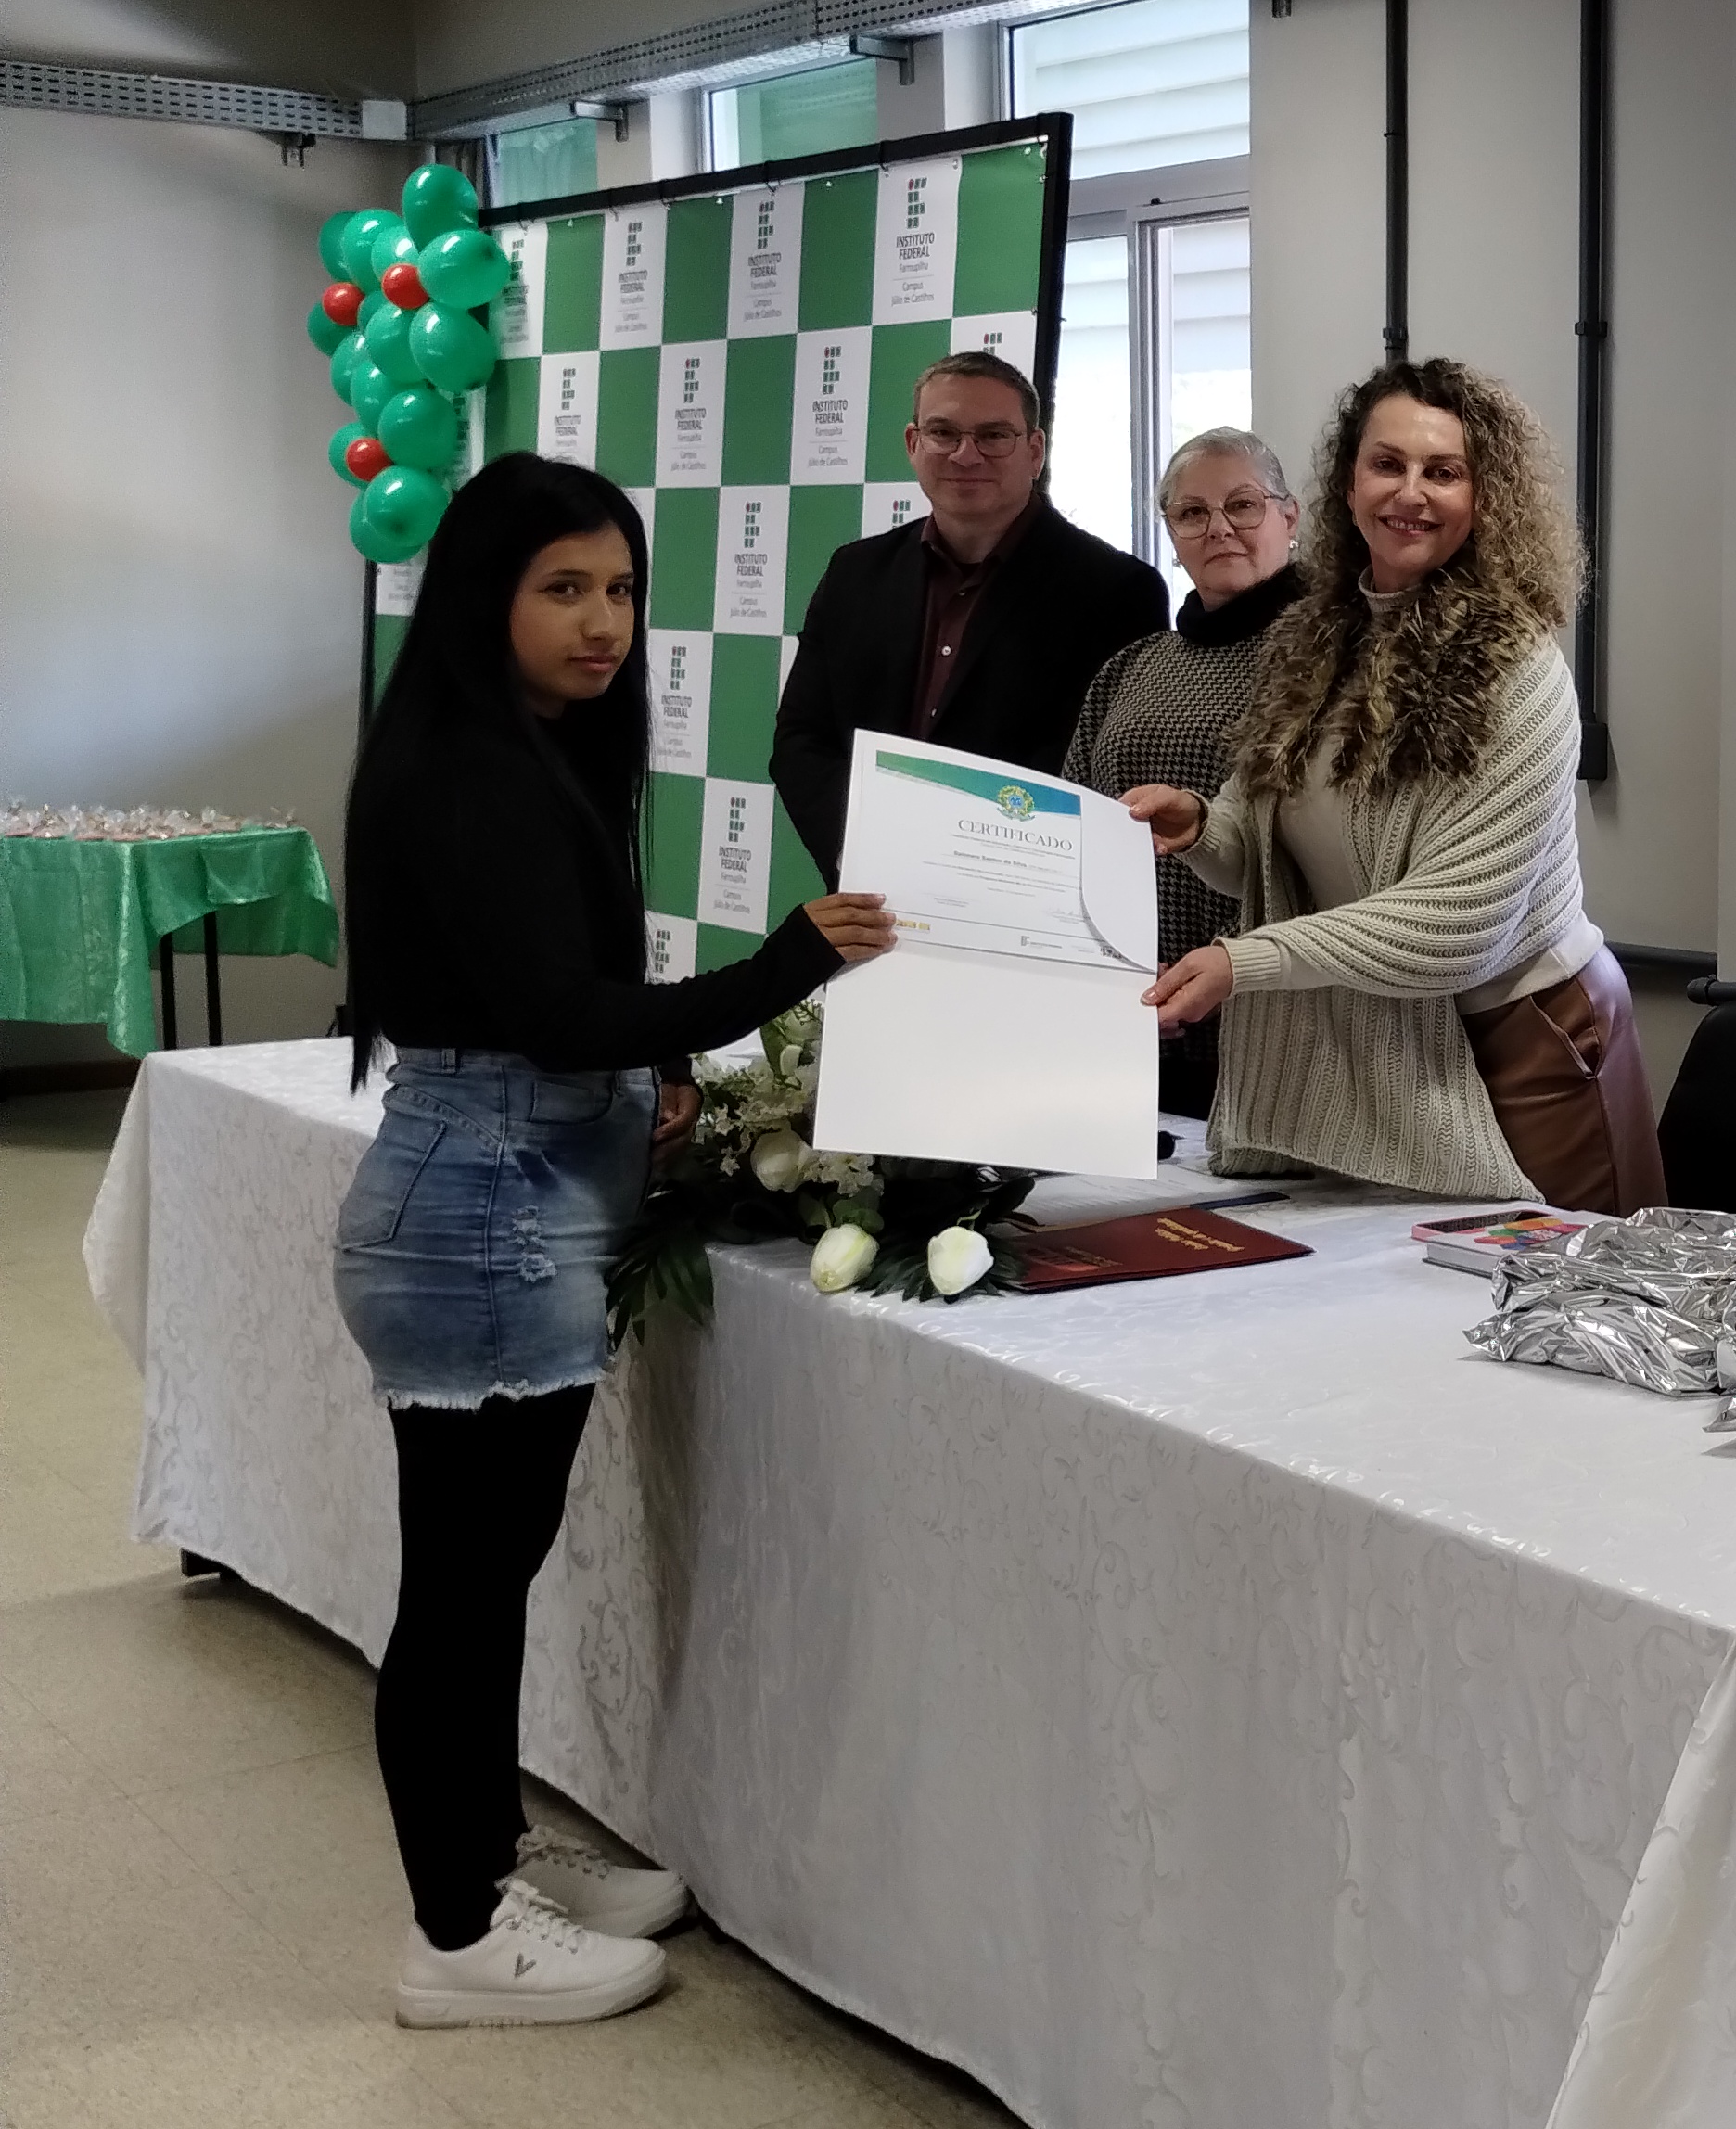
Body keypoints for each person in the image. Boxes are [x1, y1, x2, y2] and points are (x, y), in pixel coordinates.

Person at [336, 453, 896, 2028]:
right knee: (460, 1590)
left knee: (491, 1572)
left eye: (623, 589)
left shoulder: (533, 750)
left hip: (516, 1187)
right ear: (483, 598)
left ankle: (490, 1850)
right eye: (563, 589)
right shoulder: (469, 768)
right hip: (478, 1211)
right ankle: (455, 1939)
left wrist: (648, 1081)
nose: (605, 623)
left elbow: (552, 1004)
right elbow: (558, 1013)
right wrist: (789, 961)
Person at [1122, 359, 1663, 1213]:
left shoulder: (1516, 668)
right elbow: (1260, 850)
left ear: (1483, 498)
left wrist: (1243, 962)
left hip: (1522, 1041)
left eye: (1443, 472)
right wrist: (1197, 826)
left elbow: (1460, 925)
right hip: (1375, 1037)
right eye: (1387, 464)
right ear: (1349, 484)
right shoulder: (1309, 642)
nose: (1410, 493)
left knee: (1553, 1284)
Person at [770, 351, 1168, 883]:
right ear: (913, 444)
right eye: (943, 433)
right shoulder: (854, 573)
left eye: (994, 435)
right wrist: (862, 850)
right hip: (867, 895)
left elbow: (1110, 769)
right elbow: (803, 739)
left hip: (1025, 896)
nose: (965, 455)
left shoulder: (1119, 591)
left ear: (1035, 451)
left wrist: (960, 865)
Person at [1066, 429, 1310, 1118]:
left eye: (1243, 505)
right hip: (1132, 1020)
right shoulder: (1133, 666)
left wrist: (1233, 971)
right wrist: (1102, 972)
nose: (1219, 529)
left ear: (1289, 517)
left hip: (1274, 1020)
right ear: (1171, 534)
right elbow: (1074, 830)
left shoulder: (1334, 662)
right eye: (1192, 513)